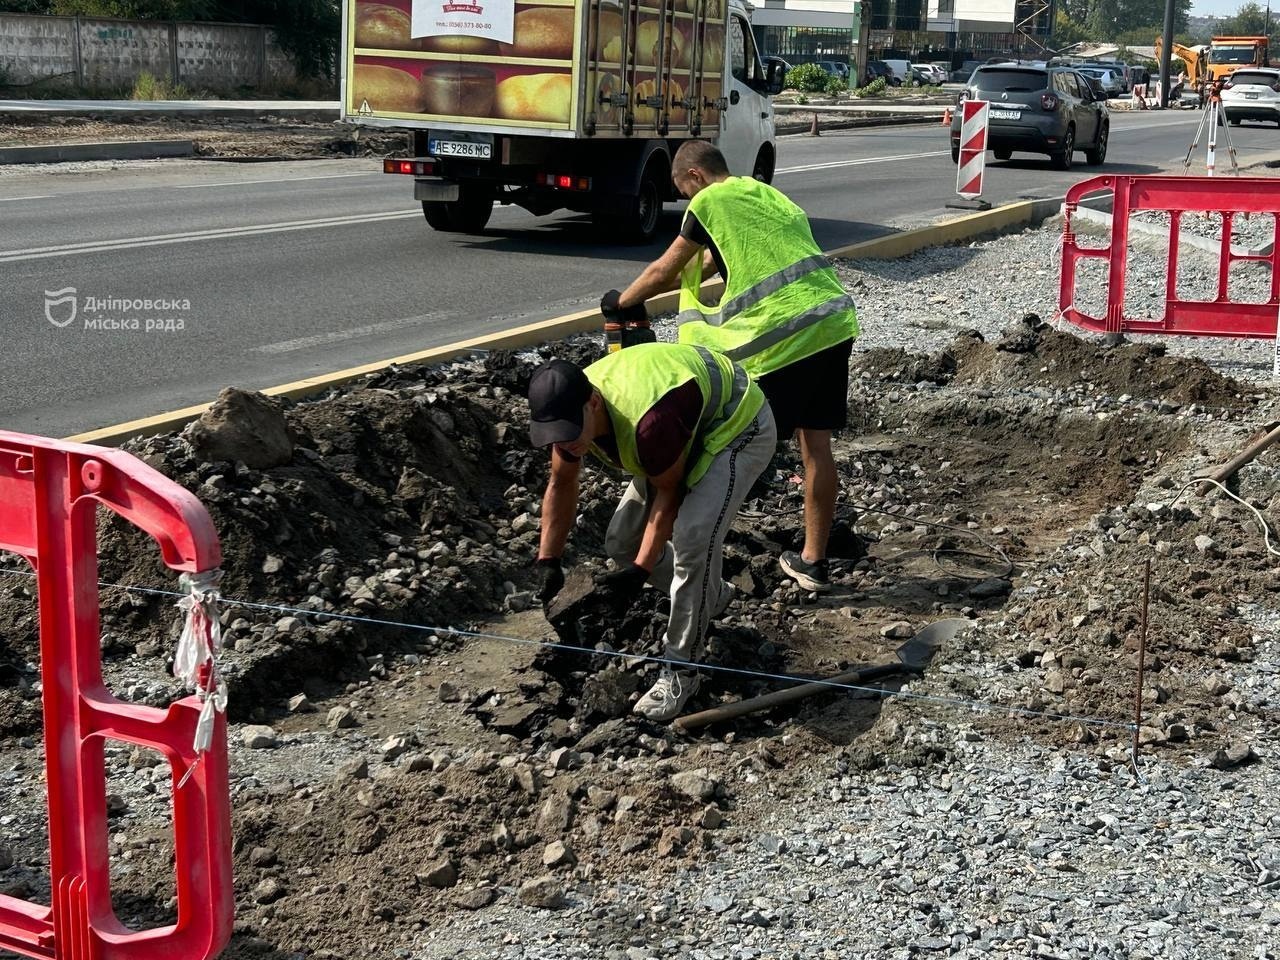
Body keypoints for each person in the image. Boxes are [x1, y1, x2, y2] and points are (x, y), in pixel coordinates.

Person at [602, 139, 858, 592]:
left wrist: (620, 301)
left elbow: (667, 268)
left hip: (788, 337)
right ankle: (813, 562)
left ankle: (692, 554)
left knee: (731, 441)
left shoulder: (711, 200)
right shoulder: (763, 194)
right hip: (833, 321)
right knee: (816, 446)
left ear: (695, 177)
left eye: (684, 192)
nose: (688, 203)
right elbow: (718, 256)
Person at [528, 343, 776, 722]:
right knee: (620, 541)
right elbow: (561, 484)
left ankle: (682, 670)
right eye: (556, 435)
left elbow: (669, 491)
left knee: (695, 537)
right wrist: (549, 559)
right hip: (683, 425)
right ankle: (713, 595)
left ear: (593, 402)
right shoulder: (569, 422)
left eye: (570, 431)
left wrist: (642, 571)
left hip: (736, 423)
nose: (566, 442)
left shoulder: (649, 425)